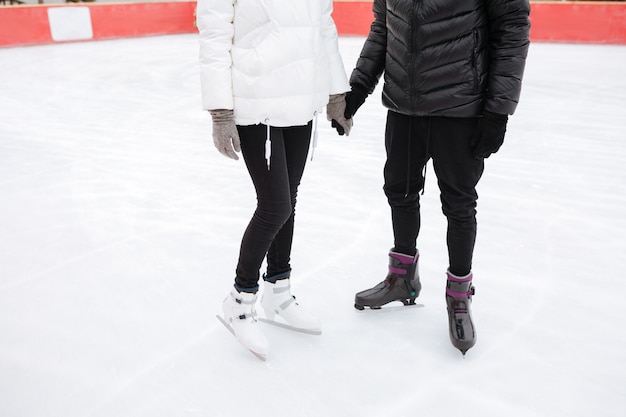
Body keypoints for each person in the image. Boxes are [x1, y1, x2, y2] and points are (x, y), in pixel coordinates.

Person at [343, 0, 531, 355]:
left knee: (459, 205)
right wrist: (358, 89)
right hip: (403, 105)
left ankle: (459, 297)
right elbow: (383, 30)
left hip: (460, 106)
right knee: (399, 192)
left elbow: (512, 30)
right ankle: (402, 279)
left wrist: (498, 111)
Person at [197, 0, 352, 360]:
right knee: (275, 206)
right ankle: (240, 300)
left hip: (301, 100)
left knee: (289, 201)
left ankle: (278, 291)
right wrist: (221, 112)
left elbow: (323, 29)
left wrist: (335, 93)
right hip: (255, 102)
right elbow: (215, 37)